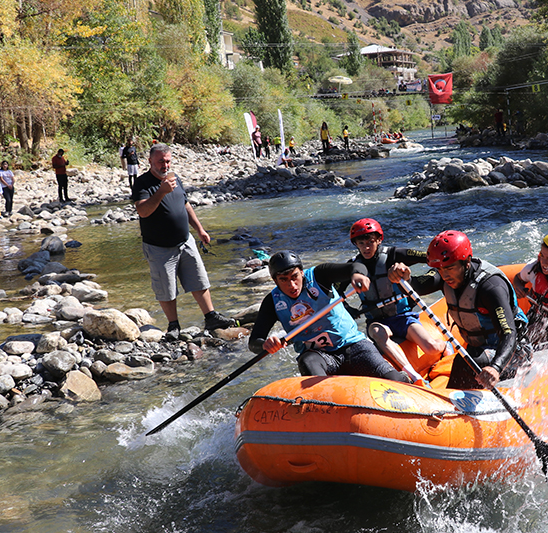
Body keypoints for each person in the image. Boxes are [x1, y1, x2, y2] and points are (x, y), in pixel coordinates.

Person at [390, 230, 530, 390]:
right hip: (479, 348)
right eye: (440, 269)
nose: (444, 275)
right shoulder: (445, 274)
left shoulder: (491, 287)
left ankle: (450, 404)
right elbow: (418, 285)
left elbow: (508, 333)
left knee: (465, 362)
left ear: (467, 261)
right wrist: (403, 277)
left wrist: (496, 367)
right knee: (470, 359)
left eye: (449, 268)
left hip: (512, 353)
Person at [248, 250, 411, 383]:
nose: (292, 285)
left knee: (393, 379)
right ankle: (325, 403)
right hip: (320, 356)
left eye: (294, 277)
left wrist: (357, 275)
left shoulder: (319, 276)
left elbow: (355, 266)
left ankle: (405, 382)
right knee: (306, 361)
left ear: (302, 273)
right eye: (284, 280)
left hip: (352, 345)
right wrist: (266, 345)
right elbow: (254, 341)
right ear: (274, 280)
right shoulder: (272, 302)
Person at [132, 143, 236, 336]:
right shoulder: (142, 182)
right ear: (150, 161)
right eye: (160, 161)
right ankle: (173, 326)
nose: (165, 165)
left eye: (168, 161)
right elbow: (143, 211)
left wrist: (200, 229)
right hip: (159, 246)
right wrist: (161, 191)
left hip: (185, 240)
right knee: (167, 288)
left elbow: (185, 204)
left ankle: (211, 317)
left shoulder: (175, 177)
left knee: (199, 279)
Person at [345, 218, 445, 383]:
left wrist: (431, 270)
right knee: (377, 332)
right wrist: (348, 308)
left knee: (431, 348)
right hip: (377, 321)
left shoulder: (393, 255)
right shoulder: (354, 267)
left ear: (379, 239)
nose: (366, 247)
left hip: (403, 317)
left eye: (370, 241)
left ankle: (444, 347)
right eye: (361, 243)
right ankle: (412, 375)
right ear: (356, 244)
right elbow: (333, 292)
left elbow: (428, 258)